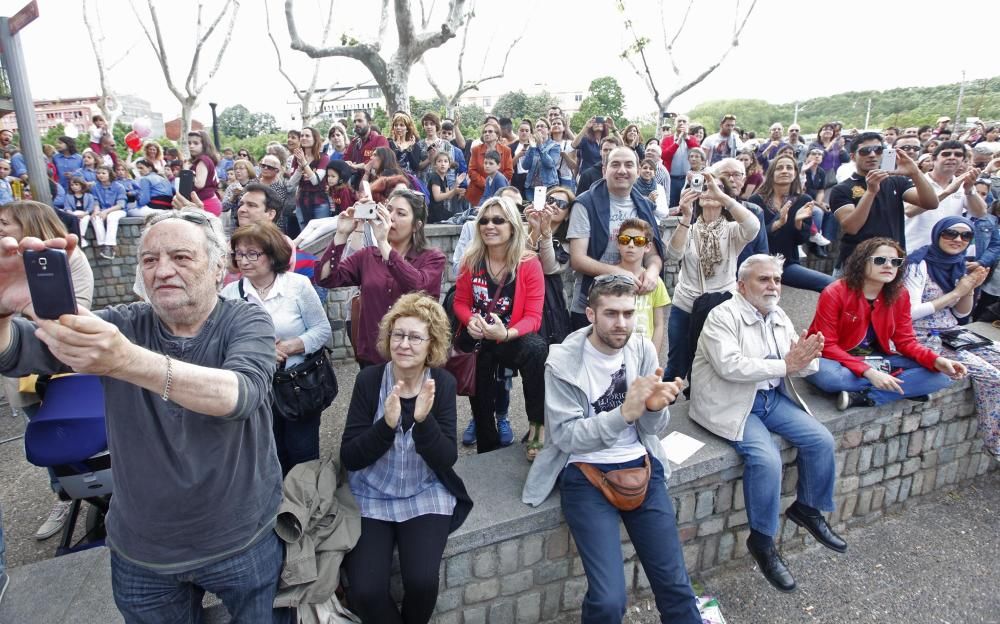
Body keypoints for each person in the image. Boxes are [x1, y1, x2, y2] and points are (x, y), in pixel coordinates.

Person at [0, 208, 287, 622]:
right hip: (144, 552)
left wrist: (124, 361)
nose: (163, 271)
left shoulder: (246, 319)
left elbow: (239, 394)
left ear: (218, 268)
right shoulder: (123, 324)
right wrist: (4, 313)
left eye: (181, 257)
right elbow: (16, 352)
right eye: (150, 260)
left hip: (241, 540)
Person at [521, 274, 701, 624]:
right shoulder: (561, 362)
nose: (622, 323)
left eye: (628, 314)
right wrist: (622, 415)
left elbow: (650, 429)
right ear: (591, 314)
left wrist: (653, 409)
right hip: (585, 475)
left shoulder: (642, 348)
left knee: (676, 586)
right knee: (607, 601)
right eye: (611, 314)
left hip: (641, 465)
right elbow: (565, 437)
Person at [691, 254, 843, 593]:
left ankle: (807, 508)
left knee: (821, 440)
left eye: (776, 279)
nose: (773, 286)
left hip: (768, 399)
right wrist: (787, 364)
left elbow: (793, 365)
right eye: (764, 279)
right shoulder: (722, 316)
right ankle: (762, 541)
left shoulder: (778, 315)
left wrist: (807, 359)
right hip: (732, 402)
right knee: (766, 459)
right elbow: (731, 367)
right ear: (742, 285)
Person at [340, 293, 471, 624]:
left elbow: (446, 458)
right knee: (366, 591)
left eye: (415, 337)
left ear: (432, 345)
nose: (404, 344)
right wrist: (385, 426)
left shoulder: (442, 383)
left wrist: (424, 422)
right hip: (372, 494)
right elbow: (350, 456)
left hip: (423, 493)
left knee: (422, 582)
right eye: (398, 334)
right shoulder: (369, 381)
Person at [0, 201, 94, 542]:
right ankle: (63, 496)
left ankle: (90, 491)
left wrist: (23, 306)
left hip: (63, 372)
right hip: (24, 377)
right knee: (39, 426)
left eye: (5, 222)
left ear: (28, 223)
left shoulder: (69, 259)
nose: (0, 228)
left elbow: (75, 311)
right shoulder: (6, 263)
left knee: (72, 431)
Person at [220, 222, 332, 474]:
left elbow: (322, 330)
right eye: (239, 254)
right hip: (257, 388)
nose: (244, 261)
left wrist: (290, 347)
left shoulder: (298, 285)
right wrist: (260, 353)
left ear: (272, 255)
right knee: (269, 450)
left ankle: (305, 503)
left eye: (252, 254)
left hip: (298, 384)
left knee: (302, 450)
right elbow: (224, 341)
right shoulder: (230, 294)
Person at [806, 237, 966, 410]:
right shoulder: (835, 292)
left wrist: (936, 360)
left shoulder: (899, 295)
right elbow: (826, 345)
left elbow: (905, 341)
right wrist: (868, 372)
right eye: (880, 260)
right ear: (862, 262)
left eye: (895, 261)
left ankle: (866, 396)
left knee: (942, 376)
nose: (889, 266)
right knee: (829, 378)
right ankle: (905, 387)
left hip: (875, 358)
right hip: (834, 359)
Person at [453, 196, 547, 456]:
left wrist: (506, 333)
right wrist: (469, 320)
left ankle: (537, 430)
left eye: (498, 220)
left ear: (513, 226)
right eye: (483, 220)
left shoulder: (528, 264)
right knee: (480, 380)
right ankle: (487, 441)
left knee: (537, 350)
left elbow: (534, 317)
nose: (489, 226)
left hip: (509, 335)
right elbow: (460, 302)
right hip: (480, 336)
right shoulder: (470, 261)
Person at [903, 217, 999, 458]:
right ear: (937, 234)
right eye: (950, 233)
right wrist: (958, 291)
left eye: (965, 236)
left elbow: (961, 313)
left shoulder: (959, 264)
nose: (958, 240)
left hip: (952, 332)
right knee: (991, 376)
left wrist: (969, 289)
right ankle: (995, 445)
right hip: (922, 335)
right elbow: (910, 313)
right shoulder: (918, 263)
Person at [316, 189, 445, 367]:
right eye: (388, 209)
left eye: (400, 213)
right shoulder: (368, 255)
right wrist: (341, 234)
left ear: (417, 226)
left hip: (413, 357)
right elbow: (326, 279)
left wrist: (383, 243)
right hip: (372, 355)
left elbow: (417, 286)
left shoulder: (432, 258)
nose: (390, 217)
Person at [663, 173, 760, 382]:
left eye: (716, 188)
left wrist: (723, 197)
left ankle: (698, 403)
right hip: (685, 304)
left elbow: (753, 227)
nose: (709, 191)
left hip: (720, 306)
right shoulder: (690, 228)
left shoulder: (733, 230)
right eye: (705, 187)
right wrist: (686, 218)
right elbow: (673, 255)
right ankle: (662, 409)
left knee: (710, 364)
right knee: (676, 364)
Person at [568, 147, 665, 331]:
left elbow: (652, 254)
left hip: (631, 304)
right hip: (591, 304)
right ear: (604, 171)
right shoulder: (585, 204)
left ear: (637, 171)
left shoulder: (644, 206)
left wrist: (653, 271)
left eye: (629, 165)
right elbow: (578, 259)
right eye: (615, 164)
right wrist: (618, 273)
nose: (622, 170)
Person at [831, 132, 939, 271]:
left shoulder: (896, 181)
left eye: (878, 150)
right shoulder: (842, 188)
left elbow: (931, 203)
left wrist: (915, 173)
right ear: (853, 156)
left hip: (892, 261)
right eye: (865, 151)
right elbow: (851, 227)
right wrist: (870, 192)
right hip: (856, 263)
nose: (872, 155)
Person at [749, 156, 835, 292]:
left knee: (833, 285)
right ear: (771, 173)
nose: (785, 171)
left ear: (795, 173)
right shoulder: (755, 201)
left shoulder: (803, 200)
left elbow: (801, 240)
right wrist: (777, 224)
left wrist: (798, 222)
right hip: (758, 265)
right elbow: (752, 238)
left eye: (789, 167)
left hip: (786, 264)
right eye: (779, 168)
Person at [905, 140, 987, 251]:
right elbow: (909, 211)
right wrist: (947, 192)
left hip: (946, 254)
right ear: (934, 159)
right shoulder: (915, 182)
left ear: (962, 160)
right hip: (914, 249)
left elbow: (980, 213)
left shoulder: (962, 185)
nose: (952, 157)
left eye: (958, 155)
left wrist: (969, 190)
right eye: (946, 154)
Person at [615, 218, 669, 352]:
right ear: (618, 244)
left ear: (648, 247)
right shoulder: (606, 280)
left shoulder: (656, 282)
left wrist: (653, 357)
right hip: (615, 353)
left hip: (644, 351)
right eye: (625, 240)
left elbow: (658, 325)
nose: (631, 245)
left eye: (638, 241)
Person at [290, 127, 331, 228]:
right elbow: (291, 184)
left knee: (320, 237)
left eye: (307, 136)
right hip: (302, 202)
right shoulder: (296, 158)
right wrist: (299, 168)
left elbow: (315, 180)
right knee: (304, 237)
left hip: (320, 202)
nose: (303, 138)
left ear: (315, 139)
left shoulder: (324, 157)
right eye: (302, 136)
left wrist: (304, 163)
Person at [467, 121, 513, 206]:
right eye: (485, 132)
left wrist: (495, 182)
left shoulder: (506, 150)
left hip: (499, 192)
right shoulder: (475, 150)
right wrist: (487, 184)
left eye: (490, 131)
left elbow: (509, 171)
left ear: (497, 135)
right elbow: (471, 171)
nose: (487, 134)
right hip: (477, 193)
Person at [89, 165, 128, 260]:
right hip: (102, 210)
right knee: (96, 218)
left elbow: (120, 204)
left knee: (112, 217)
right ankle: (103, 246)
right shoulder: (95, 187)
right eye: (98, 173)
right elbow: (96, 201)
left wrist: (106, 212)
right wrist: (96, 211)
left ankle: (109, 245)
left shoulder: (119, 187)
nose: (100, 175)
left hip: (118, 210)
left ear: (109, 174)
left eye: (103, 173)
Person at [661, 115, 700, 207]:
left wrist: (687, 139)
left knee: (689, 205)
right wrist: (677, 143)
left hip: (689, 179)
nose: (681, 123)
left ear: (688, 125)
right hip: (671, 179)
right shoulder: (667, 139)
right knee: (671, 205)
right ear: (675, 124)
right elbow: (664, 156)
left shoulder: (692, 139)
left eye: (684, 121)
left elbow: (698, 153)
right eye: (679, 121)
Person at [522, 118, 561, 201]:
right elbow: (525, 166)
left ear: (548, 131)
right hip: (531, 188)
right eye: (537, 126)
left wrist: (540, 145)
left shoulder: (555, 146)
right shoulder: (532, 145)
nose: (539, 128)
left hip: (548, 187)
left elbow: (550, 164)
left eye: (542, 126)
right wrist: (532, 148)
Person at [186, 130, 222, 217]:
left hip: (206, 203)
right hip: (209, 201)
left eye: (196, 143)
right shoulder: (207, 159)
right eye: (189, 143)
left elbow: (199, 184)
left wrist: (187, 171)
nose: (191, 146)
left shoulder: (202, 160)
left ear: (204, 145)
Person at [550, 116, 577, 191]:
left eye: (559, 123)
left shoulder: (569, 143)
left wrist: (565, 155)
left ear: (564, 128)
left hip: (566, 179)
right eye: (553, 124)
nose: (556, 125)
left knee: (567, 201)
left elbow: (573, 166)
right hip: (550, 179)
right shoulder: (547, 144)